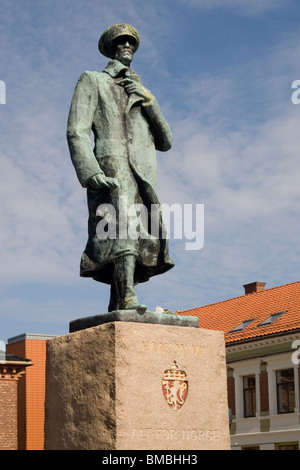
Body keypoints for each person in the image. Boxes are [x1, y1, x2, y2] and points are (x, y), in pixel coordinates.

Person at [67, 23, 174, 312]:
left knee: (142, 233)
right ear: (112, 48)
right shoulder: (93, 80)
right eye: (121, 43)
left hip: (142, 172)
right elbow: (76, 130)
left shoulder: (142, 90)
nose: (127, 47)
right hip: (111, 164)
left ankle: (120, 301)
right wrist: (91, 171)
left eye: (131, 43)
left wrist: (148, 100)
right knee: (120, 227)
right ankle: (128, 297)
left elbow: (166, 141)